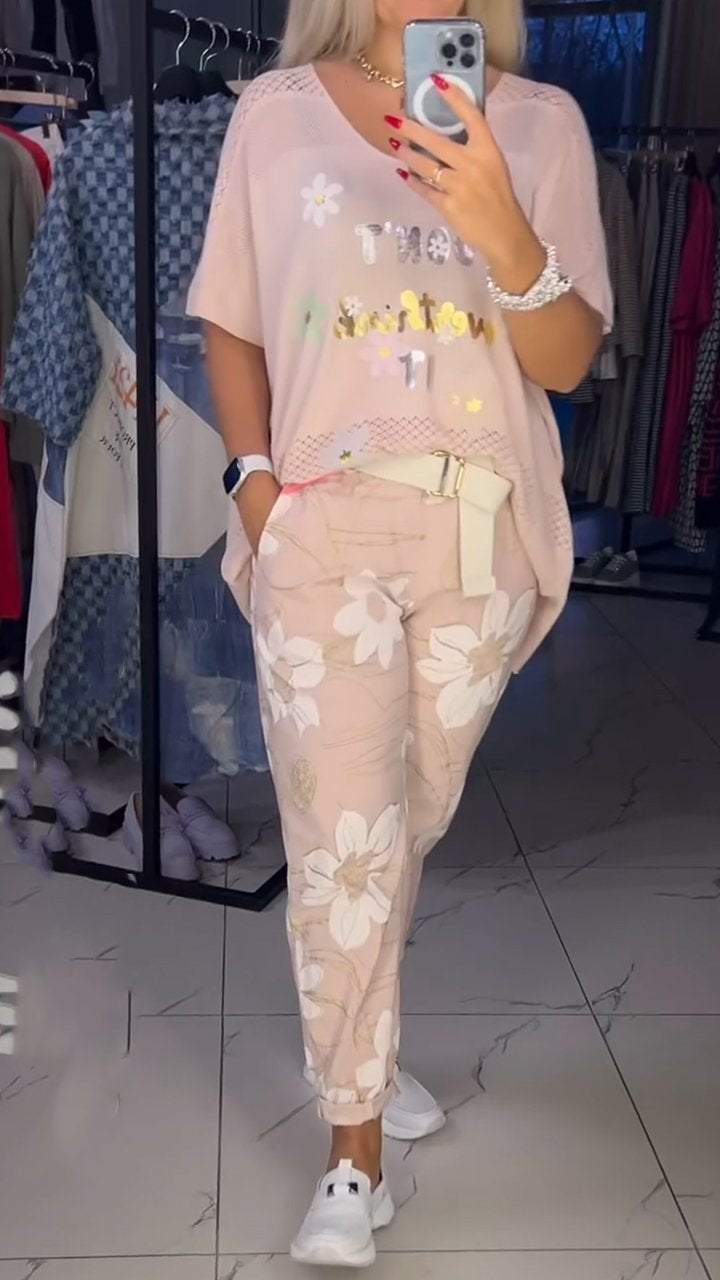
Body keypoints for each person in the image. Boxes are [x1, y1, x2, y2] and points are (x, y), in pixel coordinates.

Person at [188, 0, 613, 1267]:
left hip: (480, 539)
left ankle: (359, 1045)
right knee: (345, 844)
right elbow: (231, 317)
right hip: (321, 525)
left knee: (402, 815)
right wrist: (256, 489)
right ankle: (353, 1147)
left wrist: (498, 218)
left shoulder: (543, 124)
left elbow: (568, 361)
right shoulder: (273, 117)